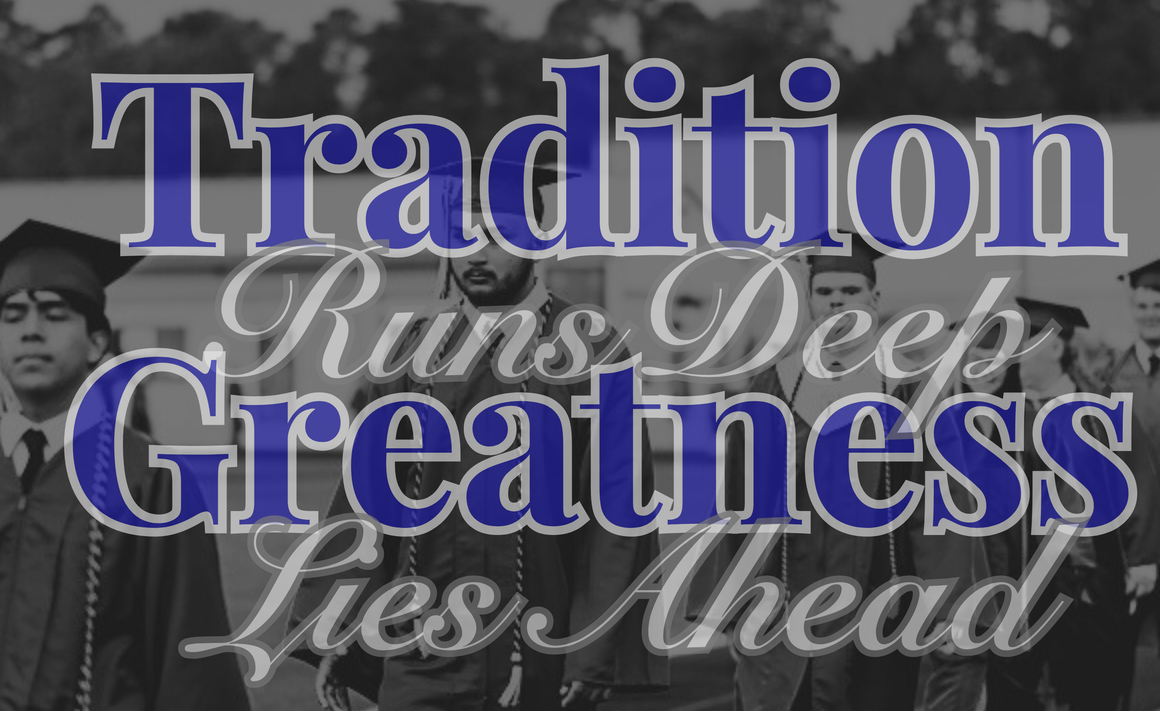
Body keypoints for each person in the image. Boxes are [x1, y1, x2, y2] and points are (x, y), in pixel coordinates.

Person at [290, 159, 667, 710]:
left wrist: (594, 649)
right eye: (463, 235)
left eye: (498, 236)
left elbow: (618, 517)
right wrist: (341, 630)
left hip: (539, 653)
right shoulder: (409, 355)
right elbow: (366, 506)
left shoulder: (589, 351)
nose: (476, 253)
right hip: (420, 652)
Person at [712, 234, 980, 711]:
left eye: (851, 291)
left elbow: (943, 504)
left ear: (875, 300)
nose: (837, 302)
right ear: (811, 301)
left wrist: (950, 607)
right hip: (787, 603)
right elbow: (742, 503)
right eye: (825, 292)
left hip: (882, 601)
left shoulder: (907, 390)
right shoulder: (772, 388)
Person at [0, 220, 251, 711]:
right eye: (11, 316)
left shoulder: (151, 478)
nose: (30, 330)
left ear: (97, 344)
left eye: (53, 314)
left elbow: (190, 655)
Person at [975, 298, 1159, 711]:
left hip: (1089, 577)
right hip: (1018, 577)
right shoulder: (1001, 414)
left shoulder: (1103, 408)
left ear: (1056, 347)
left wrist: (1144, 558)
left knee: (1091, 683)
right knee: (1012, 686)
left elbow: (1141, 480)